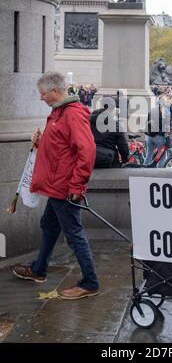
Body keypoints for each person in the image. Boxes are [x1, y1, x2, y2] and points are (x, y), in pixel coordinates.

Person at [12, 72, 99, 300]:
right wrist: (42, 142)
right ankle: (39, 270)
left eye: (43, 94)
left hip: (65, 187)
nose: (41, 98)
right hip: (58, 185)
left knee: (74, 234)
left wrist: (77, 187)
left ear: (55, 90)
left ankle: (90, 282)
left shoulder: (71, 114)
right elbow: (63, 146)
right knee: (49, 225)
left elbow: (87, 151)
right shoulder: (59, 112)